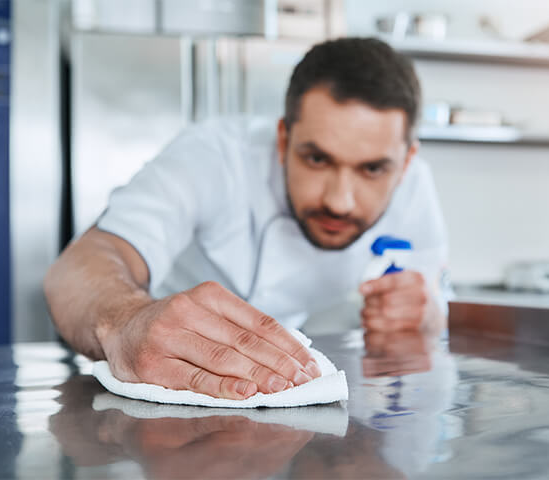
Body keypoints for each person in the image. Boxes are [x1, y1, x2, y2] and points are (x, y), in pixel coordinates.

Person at [44, 37, 450, 401]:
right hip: (172, 391)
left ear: (406, 162)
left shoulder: (416, 187)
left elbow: (433, 303)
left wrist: (423, 313)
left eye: (372, 170)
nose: (340, 202)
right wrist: (126, 320)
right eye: (316, 159)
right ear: (283, 139)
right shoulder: (214, 156)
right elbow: (81, 266)